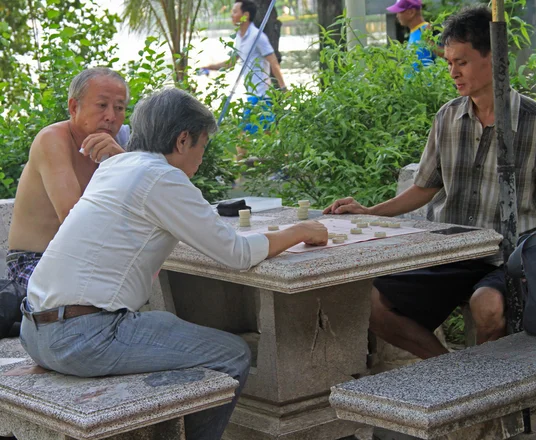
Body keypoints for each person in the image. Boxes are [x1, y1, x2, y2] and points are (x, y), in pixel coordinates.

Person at [19, 87, 328, 440]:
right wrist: (300, 230)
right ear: (183, 140)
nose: (200, 158)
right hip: (82, 339)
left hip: (35, 331)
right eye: (202, 146)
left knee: (165, 322)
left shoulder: (117, 167)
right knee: (233, 352)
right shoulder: (164, 178)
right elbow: (237, 254)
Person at [324, 6, 536, 360]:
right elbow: (425, 187)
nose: (453, 71)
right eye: (449, 62)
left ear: (493, 58)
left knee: (488, 307)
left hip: (505, 257)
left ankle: (486, 391)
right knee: (374, 303)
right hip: (450, 252)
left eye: (461, 62)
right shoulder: (447, 117)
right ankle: (453, 371)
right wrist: (371, 211)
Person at [6, 67, 130, 290]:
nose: (111, 116)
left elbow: (149, 198)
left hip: (83, 259)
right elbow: (74, 220)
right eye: (102, 105)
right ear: (74, 107)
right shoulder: (52, 139)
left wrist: (123, 160)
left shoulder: (118, 143)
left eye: (119, 108)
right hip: (35, 261)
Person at [203, 0, 287, 157]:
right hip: (253, 94)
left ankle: (237, 172)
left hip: (262, 95)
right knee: (269, 134)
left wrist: (283, 88)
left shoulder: (257, 37)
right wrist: (210, 67)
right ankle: (283, 166)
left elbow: (274, 64)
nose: (232, 15)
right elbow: (231, 62)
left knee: (244, 134)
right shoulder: (240, 37)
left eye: (235, 12)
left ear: (245, 15)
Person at [386, 0, 436, 68]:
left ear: (411, 12)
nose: (397, 16)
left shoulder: (428, 30)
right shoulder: (414, 31)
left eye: (399, 12)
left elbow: (443, 56)